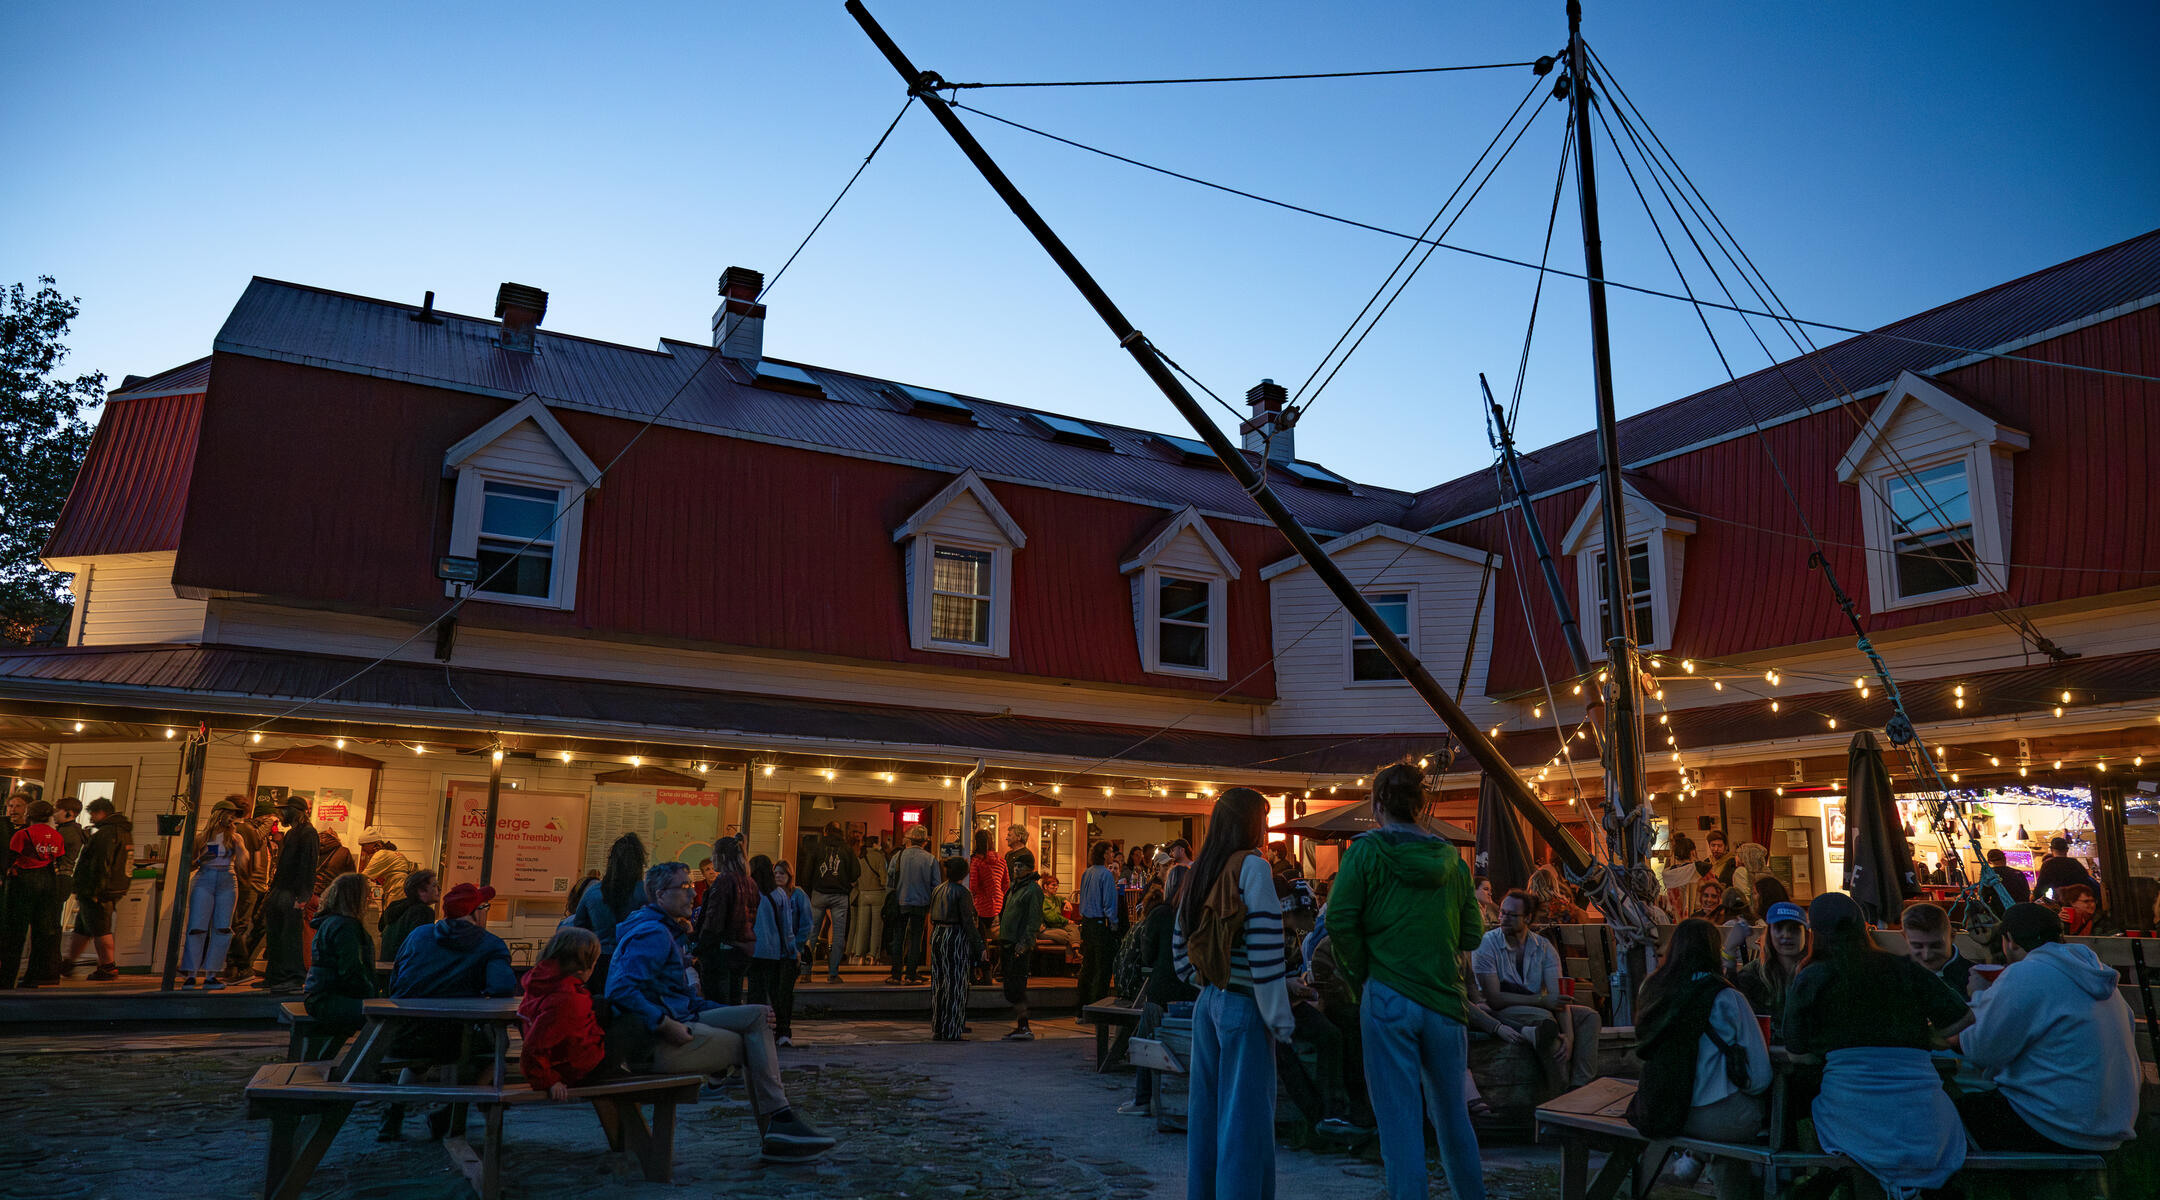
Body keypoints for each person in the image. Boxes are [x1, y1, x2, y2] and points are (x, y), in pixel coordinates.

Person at [1326, 761, 1485, 1200]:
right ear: (1422, 807)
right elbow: (1472, 934)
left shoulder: (1364, 853)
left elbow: (1339, 920)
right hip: (1445, 1003)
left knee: (1399, 1126)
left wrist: (1362, 972)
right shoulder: (1453, 860)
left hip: (1387, 998)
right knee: (1453, 1118)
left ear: (1378, 805)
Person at [605, 860, 835, 1162]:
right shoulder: (653, 934)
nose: (692, 894)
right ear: (660, 895)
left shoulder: (666, 931)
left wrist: (730, 1012)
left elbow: (684, 999)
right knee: (752, 1044)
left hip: (680, 1017)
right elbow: (620, 989)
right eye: (683, 887)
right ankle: (778, 1126)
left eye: (691, 886)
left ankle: (780, 1127)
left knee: (757, 1017)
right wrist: (662, 1023)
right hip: (658, 1041)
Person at [1784, 891, 1972, 1195]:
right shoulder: (1903, 966)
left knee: (1853, 1153)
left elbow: (1796, 1053)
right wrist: (1928, 1040)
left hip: (1848, 1107)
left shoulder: (1812, 975)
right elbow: (1961, 1019)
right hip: (1923, 1111)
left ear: (1813, 934)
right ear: (1864, 927)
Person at [1170, 788, 1292, 1200]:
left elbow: (1179, 949)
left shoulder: (1200, 870)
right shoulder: (1252, 868)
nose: (1267, 826)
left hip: (1209, 1003)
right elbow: (1265, 945)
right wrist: (1279, 1013)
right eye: (1264, 817)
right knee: (1246, 1123)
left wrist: (1206, 984)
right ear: (1250, 822)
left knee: (1205, 1119)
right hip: (1244, 1004)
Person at [1954, 902, 2137, 1153]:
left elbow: (1980, 1051)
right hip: (2111, 1121)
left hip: (2057, 1125)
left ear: (2010, 940)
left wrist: (1978, 996)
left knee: (1945, 1114)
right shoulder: (2097, 974)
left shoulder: (2026, 974)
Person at [1630, 918, 1771, 1200]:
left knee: (1727, 1135)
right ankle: (1707, 1163)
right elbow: (1760, 1078)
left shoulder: (1651, 989)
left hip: (1660, 1110)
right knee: (1754, 1120)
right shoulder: (1726, 997)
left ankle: (1695, 1157)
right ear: (1712, 950)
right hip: (1712, 1117)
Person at [1473, 889, 1601, 1088]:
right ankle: (1558, 1092)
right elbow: (1494, 999)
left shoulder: (1543, 947)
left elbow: (1558, 998)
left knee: (1589, 1017)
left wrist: (1569, 1036)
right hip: (1502, 1010)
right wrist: (1541, 1001)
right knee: (1545, 1021)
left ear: (1528, 918)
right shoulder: (1487, 944)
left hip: (1538, 1006)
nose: (1503, 919)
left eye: (1511, 915)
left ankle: (1581, 1086)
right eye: (1502, 913)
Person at [518, 927, 628, 1099]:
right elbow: (533, 1047)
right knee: (632, 1023)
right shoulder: (566, 999)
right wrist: (549, 1080)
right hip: (577, 1067)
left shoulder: (541, 982)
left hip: (566, 1058)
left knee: (601, 1004)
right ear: (582, 968)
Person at [1118, 885, 1199, 1115]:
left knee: (1147, 1040)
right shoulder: (1195, 912)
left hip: (1162, 986)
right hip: (1193, 986)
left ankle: (1143, 1098)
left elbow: (1147, 953)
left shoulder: (1161, 913)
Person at [178, 798, 251, 988]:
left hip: (227, 879)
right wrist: (202, 858)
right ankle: (191, 974)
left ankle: (211, 975)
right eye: (230, 814)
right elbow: (190, 864)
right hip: (205, 878)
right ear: (219, 815)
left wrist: (243, 856)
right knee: (197, 927)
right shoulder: (202, 838)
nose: (233, 817)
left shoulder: (235, 838)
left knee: (223, 928)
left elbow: (243, 859)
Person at [63, 797, 135, 982]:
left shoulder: (107, 833)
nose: (92, 819)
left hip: (98, 891)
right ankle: (69, 962)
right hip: (107, 889)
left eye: (93, 814)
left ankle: (108, 967)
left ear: (101, 812)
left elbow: (101, 863)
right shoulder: (123, 832)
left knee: (100, 928)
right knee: (83, 927)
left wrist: (95, 890)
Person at [302, 872, 376, 1042]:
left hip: (319, 994)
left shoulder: (330, 922)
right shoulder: (345, 927)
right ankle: (366, 1064)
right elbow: (350, 969)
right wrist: (371, 995)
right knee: (384, 1017)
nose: (369, 899)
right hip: (330, 998)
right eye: (366, 894)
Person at [1, 799, 65, 988]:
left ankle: (7, 977)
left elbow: (11, 858)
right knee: (41, 932)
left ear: (30, 815)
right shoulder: (56, 836)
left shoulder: (23, 834)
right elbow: (58, 860)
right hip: (48, 883)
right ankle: (35, 976)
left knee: (15, 932)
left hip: (24, 881)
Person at [575, 832, 648, 987]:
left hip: (599, 962)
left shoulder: (593, 892)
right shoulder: (645, 893)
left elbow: (579, 928)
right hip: (635, 962)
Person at [745, 856, 803, 1046]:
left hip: (753, 949)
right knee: (777, 994)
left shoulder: (749, 893)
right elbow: (787, 928)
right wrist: (792, 951)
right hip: (775, 951)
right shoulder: (779, 894)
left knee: (755, 993)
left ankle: (757, 1031)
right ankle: (781, 1032)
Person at [1730, 900, 1808, 1041]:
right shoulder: (1751, 976)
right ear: (1769, 933)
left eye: (1794, 928)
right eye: (1779, 927)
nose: (1786, 935)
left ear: (1806, 934)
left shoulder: (1817, 975)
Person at [694, 836, 758, 1005]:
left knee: (718, 1003)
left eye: (714, 854)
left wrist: (699, 948)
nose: (712, 859)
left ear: (721, 856)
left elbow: (714, 920)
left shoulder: (723, 881)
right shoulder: (749, 882)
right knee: (734, 998)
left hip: (721, 951)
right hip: (743, 949)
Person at [928, 855, 982, 1040]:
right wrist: (978, 945)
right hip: (955, 937)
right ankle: (952, 1029)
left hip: (937, 935)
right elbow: (968, 922)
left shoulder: (938, 890)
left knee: (939, 982)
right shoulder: (962, 892)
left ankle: (938, 1026)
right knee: (956, 984)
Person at [802, 821, 857, 984]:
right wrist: (846, 883)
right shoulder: (847, 849)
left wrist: (809, 889)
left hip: (819, 893)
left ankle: (806, 973)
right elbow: (855, 872)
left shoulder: (817, 847)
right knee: (838, 935)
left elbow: (807, 871)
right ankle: (833, 973)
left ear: (825, 832)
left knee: (812, 933)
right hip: (840, 895)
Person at [998, 847, 1044, 1040]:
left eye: (1020, 866)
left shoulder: (1033, 890)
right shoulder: (1014, 887)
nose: (1016, 869)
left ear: (1029, 868)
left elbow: (1033, 920)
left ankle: (1024, 1026)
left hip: (1019, 944)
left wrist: (1025, 942)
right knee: (1010, 987)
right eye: (1015, 865)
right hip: (1007, 942)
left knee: (1016, 986)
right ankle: (1021, 1024)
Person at [887, 825, 937, 985]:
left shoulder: (898, 857)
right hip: (921, 903)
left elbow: (890, 880)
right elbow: (936, 885)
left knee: (898, 938)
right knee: (916, 939)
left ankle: (895, 975)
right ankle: (911, 974)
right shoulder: (930, 859)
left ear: (909, 840)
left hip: (900, 902)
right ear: (924, 842)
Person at [1077, 841, 1121, 1008]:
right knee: (1102, 968)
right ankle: (1097, 1005)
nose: (1112, 856)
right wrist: (1114, 924)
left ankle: (1082, 1005)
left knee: (1088, 966)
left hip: (1087, 922)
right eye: (1110, 852)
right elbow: (1109, 903)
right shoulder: (1105, 875)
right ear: (1104, 855)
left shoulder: (1087, 873)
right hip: (1100, 922)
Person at [1899, 901, 1973, 994]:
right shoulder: (1896, 976)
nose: (1927, 956)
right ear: (1904, 936)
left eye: (1936, 946)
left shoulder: (1979, 977)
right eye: (1917, 946)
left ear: (1952, 936)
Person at [355, 828, 413, 934]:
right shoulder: (395, 854)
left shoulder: (380, 854)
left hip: (396, 890)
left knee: (393, 919)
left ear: (373, 844)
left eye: (364, 845)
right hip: (404, 889)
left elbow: (363, 876)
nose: (363, 850)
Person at [967, 828, 1006, 984]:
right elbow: (1006, 884)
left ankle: (984, 974)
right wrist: (998, 897)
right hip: (996, 906)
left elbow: (974, 885)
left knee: (979, 942)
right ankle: (988, 975)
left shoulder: (976, 861)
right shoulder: (1001, 860)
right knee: (990, 940)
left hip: (979, 906)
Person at [380, 869, 439, 965]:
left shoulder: (396, 909)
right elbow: (419, 947)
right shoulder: (422, 912)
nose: (438, 889)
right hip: (406, 969)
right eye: (434, 885)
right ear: (421, 891)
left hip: (389, 970)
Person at [847, 831, 888, 965]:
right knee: (876, 927)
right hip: (877, 894)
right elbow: (884, 878)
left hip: (863, 894)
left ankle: (859, 955)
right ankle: (872, 956)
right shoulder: (879, 857)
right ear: (875, 844)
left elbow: (854, 879)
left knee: (862, 926)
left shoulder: (860, 857)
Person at [2032, 837, 2100, 908]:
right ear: (2067, 850)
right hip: (2078, 904)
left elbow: (2040, 889)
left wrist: (2034, 901)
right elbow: (2087, 883)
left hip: (2061, 905)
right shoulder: (2075, 863)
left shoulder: (2048, 865)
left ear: (2051, 850)